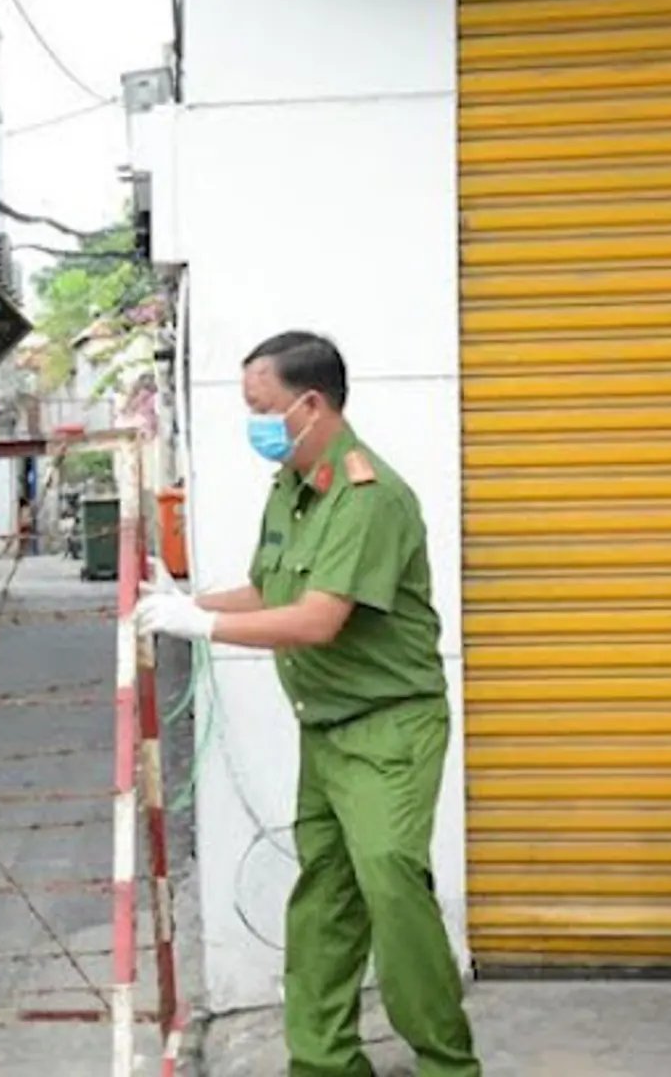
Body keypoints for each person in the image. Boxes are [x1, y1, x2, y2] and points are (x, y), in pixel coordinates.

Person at [136, 331, 481, 1077]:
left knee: (391, 885)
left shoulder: (368, 495)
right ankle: (324, 1063)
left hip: (390, 728)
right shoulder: (293, 488)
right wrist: (184, 601)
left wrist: (203, 626)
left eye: (262, 407)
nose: (253, 422)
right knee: (324, 897)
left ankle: (447, 1064)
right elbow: (272, 590)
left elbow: (318, 619)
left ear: (311, 402)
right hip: (325, 730)